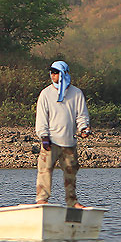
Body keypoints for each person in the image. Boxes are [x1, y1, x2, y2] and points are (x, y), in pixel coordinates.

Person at [34, 60, 91, 208]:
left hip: (69, 142)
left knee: (71, 173)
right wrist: (43, 136)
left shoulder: (76, 93)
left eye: (56, 72)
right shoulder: (45, 94)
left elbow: (81, 115)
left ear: (64, 73)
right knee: (45, 170)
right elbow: (41, 118)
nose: (53, 75)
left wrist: (83, 128)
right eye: (52, 72)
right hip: (50, 142)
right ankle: (42, 199)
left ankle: (72, 202)